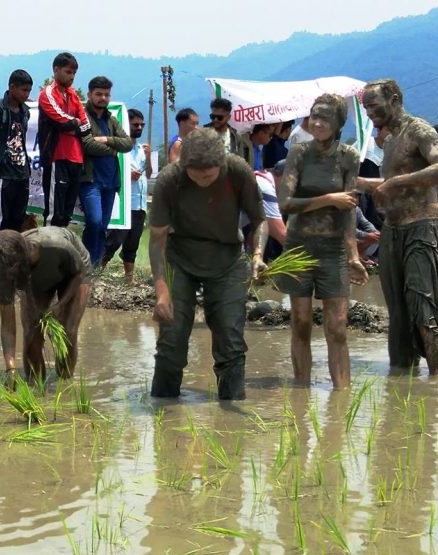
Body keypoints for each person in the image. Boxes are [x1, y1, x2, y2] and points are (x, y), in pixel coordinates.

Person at [149, 128, 267, 401]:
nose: (203, 180)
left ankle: (231, 412)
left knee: (230, 340)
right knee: (172, 340)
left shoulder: (238, 171)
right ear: (185, 165)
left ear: (222, 163)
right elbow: (156, 240)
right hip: (180, 259)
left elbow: (259, 220)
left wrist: (258, 255)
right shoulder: (171, 178)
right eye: (196, 174)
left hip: (227, 260)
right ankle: (163, 411)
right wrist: (162, 290)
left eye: (210, 175)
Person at [357, 79, 438, 375]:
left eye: (373, 106)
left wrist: (396, 182)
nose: (370, 113)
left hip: (421, 227)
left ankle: (437, 386)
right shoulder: (389, 140)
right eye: (366, 108)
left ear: (395, 100)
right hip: (392, 230)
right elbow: (390, 182)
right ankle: (401, 380)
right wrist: (359, 184)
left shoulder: (419, 130)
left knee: (423, 311)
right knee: (397, 317)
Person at [277, 94, 368, 390]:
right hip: (299, 247)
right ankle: (301, 390)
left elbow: (349, 211)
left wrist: (354, 256)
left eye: (325, 118)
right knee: (301, 323)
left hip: (334, 250)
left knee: (338, 327)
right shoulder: (299, 153)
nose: (317, 122)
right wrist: (328, 199)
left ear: (339, 123)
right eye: (314, 116)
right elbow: (286, 203)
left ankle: (342, 396)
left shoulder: (349, 157)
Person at [0, 227, 90, 381]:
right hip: (36, 279)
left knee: (67, 330)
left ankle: (65, 382)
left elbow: (79, 273)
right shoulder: (5, 269)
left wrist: (60, 305)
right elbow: (7, 326)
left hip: (73, 271)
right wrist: (11, 369)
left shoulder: (55, 245)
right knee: (31, 332)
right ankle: (36, 385)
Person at [78, 76, 133, 267]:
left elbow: (127, 143)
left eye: (106, 94)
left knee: (102, 227)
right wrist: (113, 148)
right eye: (99, 94)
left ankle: (93, 268)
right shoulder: (82, 116)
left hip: (111, 181)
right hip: (90, 179)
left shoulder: (110, 118)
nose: (103, 98)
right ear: (89, 94)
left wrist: (106, 140)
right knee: (94, 221)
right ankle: (83, 265)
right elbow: (86, 145)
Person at [38, 52, 91, 227]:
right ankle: (47, 249)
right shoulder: (47, 93)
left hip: (76, 157)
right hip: (56, 156)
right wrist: (73, 123)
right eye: (68, 72)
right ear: (56, 70)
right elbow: (62, 120)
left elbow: (85, 125)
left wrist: (73, 124)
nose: (72, 77)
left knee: (67, 212)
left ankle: (60, 250)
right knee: (55, 211)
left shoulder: (73, 95)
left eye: (74, 73)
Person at [0, 69, 33, 236]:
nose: (27, 94)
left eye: (29, 90)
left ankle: (13, 255)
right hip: (3, 173)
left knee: (18, 218)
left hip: (22, 172)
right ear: (12, 87)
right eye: (24, 90)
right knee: (2, 218)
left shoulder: (25, 112)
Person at [102, 108, 151, 283]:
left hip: (139, 203)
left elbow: (149, 173)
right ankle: (94, 274)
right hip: (124, 203)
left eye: (141, 124)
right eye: (135, 124)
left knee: (133, 243)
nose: (139, 127)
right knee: (112, 241)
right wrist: (126, 175)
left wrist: (148, 157)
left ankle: (129, 279)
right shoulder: (119, 148)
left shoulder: (141, 148)